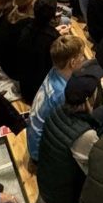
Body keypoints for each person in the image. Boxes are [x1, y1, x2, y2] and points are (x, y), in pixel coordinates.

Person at [35, 63, 103, 203]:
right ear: (89, 100)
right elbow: (99, 172)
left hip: (48, 189)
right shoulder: (85, 136)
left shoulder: (58, 111)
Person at [26, 29, 90, 162]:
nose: (84, 59)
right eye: (82, 56)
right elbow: (69, 125)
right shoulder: (63, 93)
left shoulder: (54, 71)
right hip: (42, 151)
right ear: (73, 63)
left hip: (35, 138)